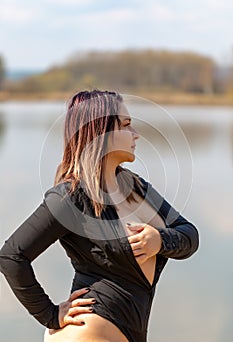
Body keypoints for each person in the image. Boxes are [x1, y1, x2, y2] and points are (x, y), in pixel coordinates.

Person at [0, 90, 199, 342]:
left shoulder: (137, 186)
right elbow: (11, 257)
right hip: (90, 330)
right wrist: (49, 314)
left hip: (132, 329)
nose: (136, 134)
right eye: (126, 125)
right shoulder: (69, 197)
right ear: (101, 131)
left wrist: (159, 241)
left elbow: (189, 234)